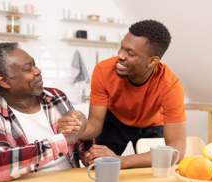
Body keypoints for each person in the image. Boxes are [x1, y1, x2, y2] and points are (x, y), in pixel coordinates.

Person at [58, 19, 187, 169]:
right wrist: (75, 130)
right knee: (99, 166)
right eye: (121, 48)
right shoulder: (103, 70)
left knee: (151, 171)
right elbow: (94, 125)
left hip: (151, 124)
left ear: (152, 61)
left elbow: (176, 152)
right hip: (114, 122)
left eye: (130, 54)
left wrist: (121, 161)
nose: (120, 56)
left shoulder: (170, 86)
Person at [0, 42, 93, 182]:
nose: (38, 70)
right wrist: (63, 140)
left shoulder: (56, 97)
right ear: (3, 81)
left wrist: (91, 155)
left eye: (34, 64)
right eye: (28, 69)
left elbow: (80, 142)